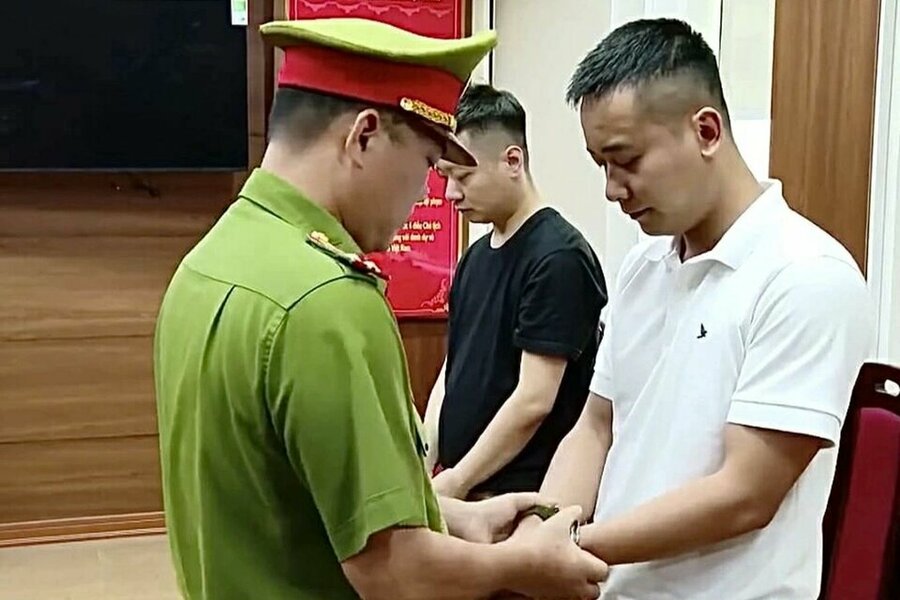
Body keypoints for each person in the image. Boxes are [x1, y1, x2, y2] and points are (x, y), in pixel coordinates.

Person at [153, 16, 607, 600]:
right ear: (364, 136)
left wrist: (451, 515)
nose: (427, 194)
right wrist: (523, 565)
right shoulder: (329, 300)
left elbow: (288, 497)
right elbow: (396, 572)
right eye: (426, 163)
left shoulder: (206, 265)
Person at [515, 18, 874, 600]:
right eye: (601, 164)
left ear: (706, 131)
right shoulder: (643, 265)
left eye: (626, 160)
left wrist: (572, 546)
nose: (612, 188)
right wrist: (544, 529)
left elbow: (745, 494)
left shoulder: (807, 274)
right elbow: (597, 425)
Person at [424, 84, 608, 500]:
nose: (451, 193)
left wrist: (455, 483)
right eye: (445, 177)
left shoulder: (559, 257)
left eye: (463, 176)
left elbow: (533, 400)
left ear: (512, 161)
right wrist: (425, 461)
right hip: (461, 491)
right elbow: (452, 371)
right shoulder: (474, 258)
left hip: (521, 500)